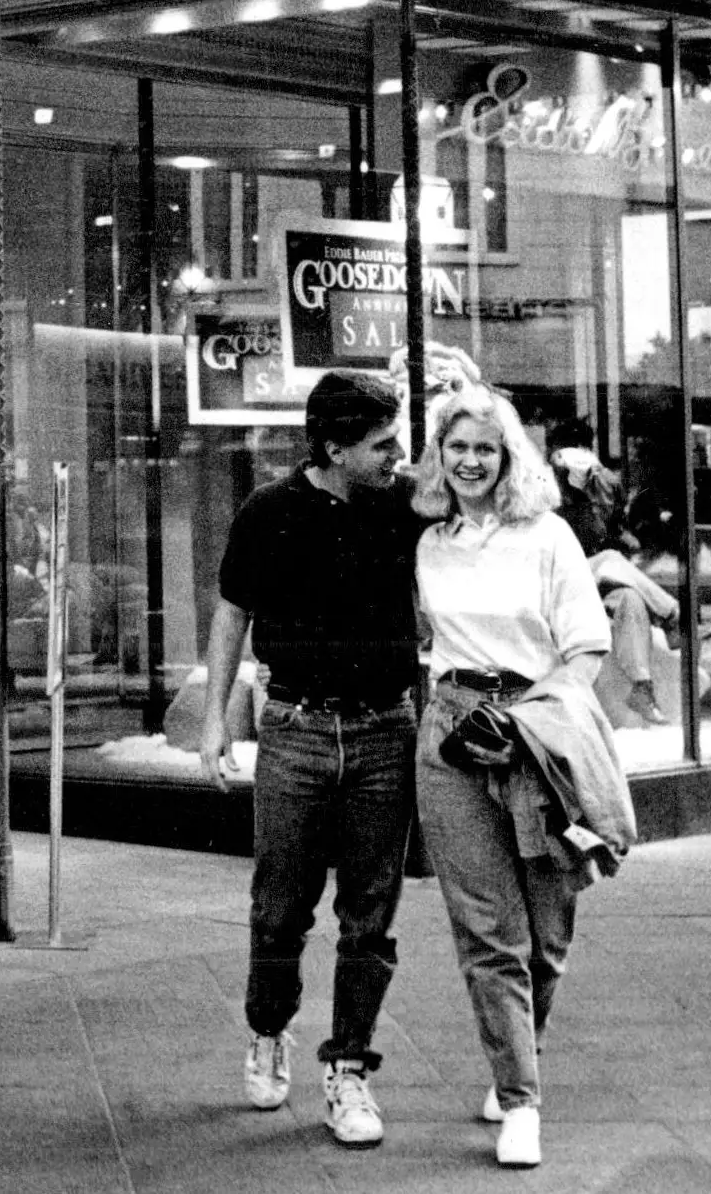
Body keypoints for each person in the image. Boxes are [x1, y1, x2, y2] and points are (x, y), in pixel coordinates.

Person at [196, 369, 429, 1148]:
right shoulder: (269, 511)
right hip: (293, 728)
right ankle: (267, 1030)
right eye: (381, 443)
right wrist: (214, 721)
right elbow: (232, 614)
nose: (397, 454)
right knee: (279, 905)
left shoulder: (402, 504)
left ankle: (349, 1068)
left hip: (385, 731)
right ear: (333, 447)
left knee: (370, 911)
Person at [414, 381, 627, 1172]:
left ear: (508, 456)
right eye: (456, 447)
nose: (469, 460)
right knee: (487, 929)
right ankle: (520, 1100)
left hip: (539, 730)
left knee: (548, 929)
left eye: (484, 448)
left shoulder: (546, 536)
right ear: (438, 455)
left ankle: (516, 1053)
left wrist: (532, 721)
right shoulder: (427, 540)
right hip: (452, 737)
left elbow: (586, 646)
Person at [549, 416, 678, 724]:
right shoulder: (545, 496)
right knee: (608, 559)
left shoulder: (588, 506)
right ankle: (674, 617)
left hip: (589, 584)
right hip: (557, 583)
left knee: (630, 598)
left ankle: (642, 688)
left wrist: (596, 488)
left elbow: (612, 502)